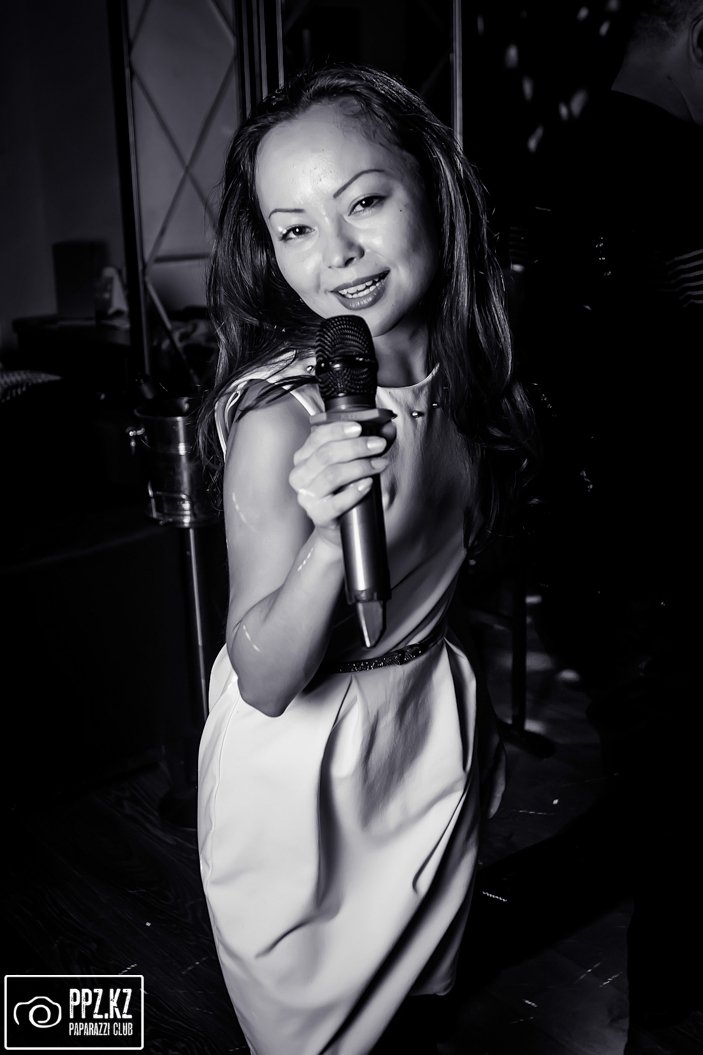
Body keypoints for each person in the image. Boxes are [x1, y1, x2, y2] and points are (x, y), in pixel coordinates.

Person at [195, 62, 537, 1055]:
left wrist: (469, 723)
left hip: (425, 740)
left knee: (422, 1019)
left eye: (364, 202)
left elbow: (444, 581)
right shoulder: (280, 419)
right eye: (294, 227)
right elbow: (263, 678)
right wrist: (322, 535)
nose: (336, 254)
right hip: (302, 781)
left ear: (431, 184)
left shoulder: (473, 372)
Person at [518, 2, 703, 1052]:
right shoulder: (670, 162)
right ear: (693, 26)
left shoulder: (563, 156)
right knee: (676, 807)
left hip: (600, 540)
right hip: (663, 542)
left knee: (660, 799)